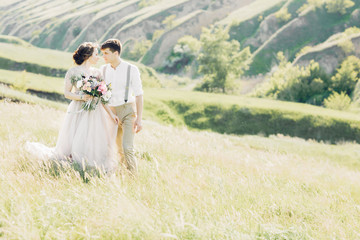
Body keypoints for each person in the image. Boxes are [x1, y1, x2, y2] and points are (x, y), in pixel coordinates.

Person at [26, 42, 119, 173]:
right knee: (76, 136)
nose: (98, 57)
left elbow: (103, 97)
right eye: (96, 54)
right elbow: (67, 93)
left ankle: (91, 163)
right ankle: (74, 161)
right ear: (88, 55)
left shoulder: (97, 73)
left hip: (95, 111)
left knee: (93, 137)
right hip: (78, 109)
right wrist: (81, 97)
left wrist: (111, 114)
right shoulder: (73, 71)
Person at [100, 39, 144, 174]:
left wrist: (139, 119)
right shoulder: (103, 69)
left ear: (116, 53)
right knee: (118, 148)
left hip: (127, 111)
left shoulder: (132, 69)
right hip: (111, 113)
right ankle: (124, 175)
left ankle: (133, 178)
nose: (104, 56)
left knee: (127, 147)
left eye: (106, 53)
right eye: (103, 53)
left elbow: (139, 94)